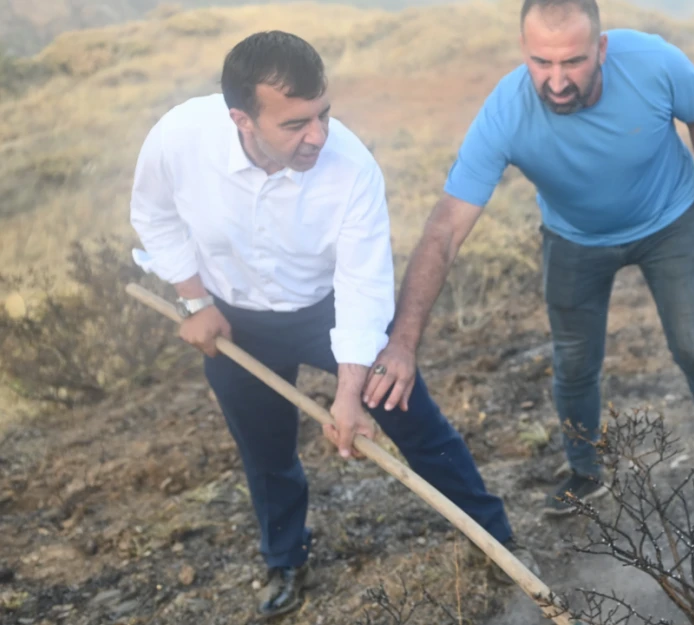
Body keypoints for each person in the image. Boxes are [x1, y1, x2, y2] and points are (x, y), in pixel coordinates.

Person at [128, 30, 535, 619]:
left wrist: (350, 396)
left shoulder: (351, 170)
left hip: (328, 310)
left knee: (410, 415)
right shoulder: (179, 138)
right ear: (242, 119)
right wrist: (194, 301)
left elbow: (363, 286)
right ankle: (285, 559)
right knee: (265, 449)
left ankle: (491, 533)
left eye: (323, 113)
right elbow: (154, 215)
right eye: (295, 125)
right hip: (233, 317)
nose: (318, 135)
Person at [360, 0, 694, 518]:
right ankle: (585, 470)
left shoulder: (653, 63)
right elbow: (444, 231)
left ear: (601, 48)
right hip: (574, 239)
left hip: (668, 221)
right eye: (541, 62)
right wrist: (402, 340)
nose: (556, 81)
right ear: (524, 53)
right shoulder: (505, 111)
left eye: (572, 62)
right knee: (574, 362)